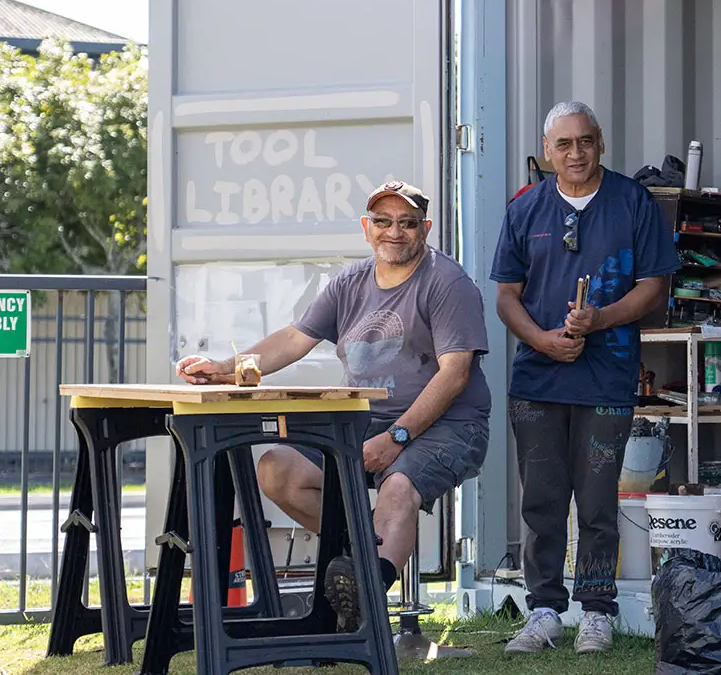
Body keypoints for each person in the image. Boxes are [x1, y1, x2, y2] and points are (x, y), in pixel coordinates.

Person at [175, 180, 491, 631]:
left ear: (426, 229)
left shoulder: (448, 282)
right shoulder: (350, 282)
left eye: (407, 223)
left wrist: (398, 436)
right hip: (361, 423)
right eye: (383, 222)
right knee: (276, 468)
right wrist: (225, 367)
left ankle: (364, 592)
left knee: (397, 487)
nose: (394, 232)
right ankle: (360, 554)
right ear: (367, 228)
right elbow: (292, 339)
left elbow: (455, 373)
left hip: (446, 425)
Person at [490, 101, 679, 654]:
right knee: (541, 502)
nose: (576, 153)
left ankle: (597, 611)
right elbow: (505, 295)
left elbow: (654, 287)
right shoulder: (525, 207)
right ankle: (544, 611)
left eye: (586, 141)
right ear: (547, 152)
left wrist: (600, 319)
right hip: (537, 382)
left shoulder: (633, 202)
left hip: (606, 376)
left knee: (597, 503)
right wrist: (541, 339)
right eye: (564, 144)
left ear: (601, 143)